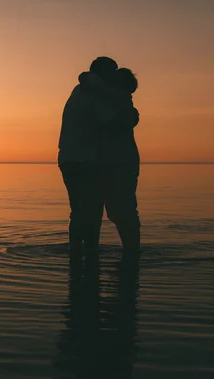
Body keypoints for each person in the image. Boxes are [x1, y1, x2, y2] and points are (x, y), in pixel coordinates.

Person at [58, 57, 141, 264]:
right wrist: (131, 115)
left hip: (75, 160)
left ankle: (81, 255)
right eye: (112, 72)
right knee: (100, 212)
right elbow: (113, 123)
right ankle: (123, 255)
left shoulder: (84, 90)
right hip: (88, 162)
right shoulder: (94, 93)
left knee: (84, 211)